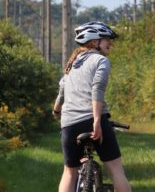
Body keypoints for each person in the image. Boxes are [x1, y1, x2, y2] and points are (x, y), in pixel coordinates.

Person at [53, 21, 131, 192]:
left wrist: (56, 110)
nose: (109, 43)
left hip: (69, 123)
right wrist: (96, 121)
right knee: (116, 170)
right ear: (94, 42)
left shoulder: (72, 64)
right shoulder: (100, 61)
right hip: (93, 118)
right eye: (106, 40)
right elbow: (98, 89)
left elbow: (62, 91)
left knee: (69, 172)